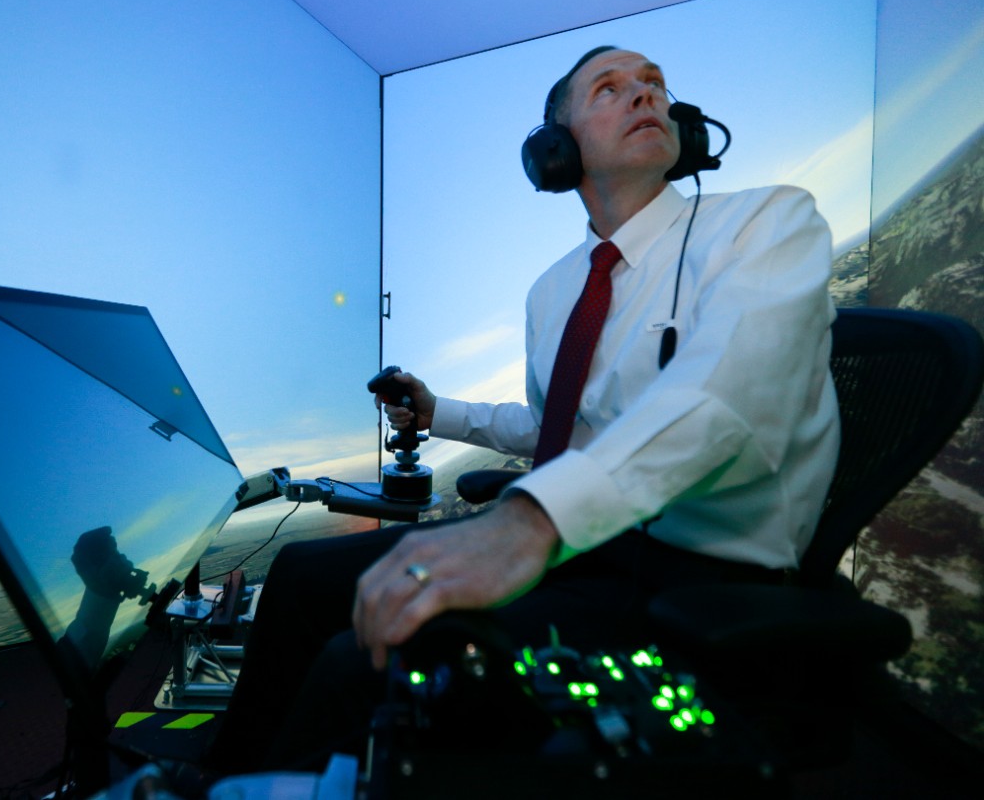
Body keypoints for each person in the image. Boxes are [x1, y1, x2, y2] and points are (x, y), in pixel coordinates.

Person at [205, 45, 840, 774]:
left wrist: (530, 519)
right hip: (583, 542)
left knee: (366, 663)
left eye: (655, 84)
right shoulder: (554, 288)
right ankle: (229, 776)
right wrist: (438, 411)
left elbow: (730, 394)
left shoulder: (767, 221)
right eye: (610, 88)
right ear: (555, 148)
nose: (645, 96)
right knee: (298, 577)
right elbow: (558, 431)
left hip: (698, 571)